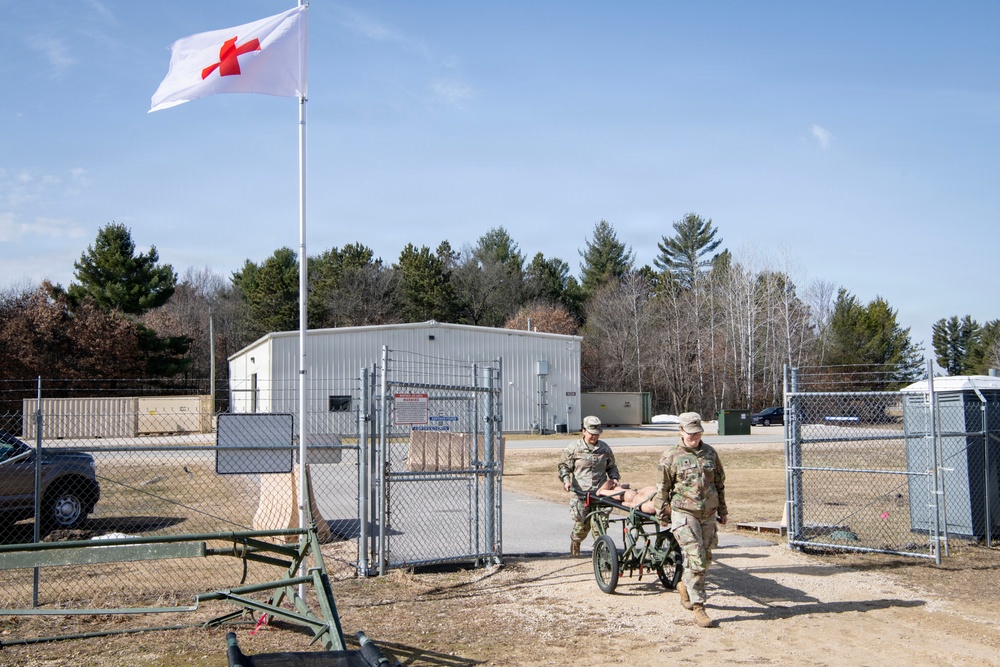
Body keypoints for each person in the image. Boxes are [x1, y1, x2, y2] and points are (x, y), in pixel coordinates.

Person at [657, 411, 727, 628]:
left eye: (697, 433)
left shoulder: (710, 453)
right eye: (690, 433)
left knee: (704, 558)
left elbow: (719, 483)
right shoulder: (670, 456)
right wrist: (662, 515)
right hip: (683, 513)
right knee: (696, 558)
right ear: (681, 431)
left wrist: (723, 510)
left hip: (707, 514)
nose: (694, 437)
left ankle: (684, 586)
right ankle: (699, 607)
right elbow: (664, 489)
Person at [557, 415, 620, 557]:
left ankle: (600, 556)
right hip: (581, 494)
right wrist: (566, 480)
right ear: (583, 431)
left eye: (597, 434)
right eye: (591, 434)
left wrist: (614, 478)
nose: (594, 437)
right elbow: (563, 467)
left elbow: (612, 466)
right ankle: (576, 541)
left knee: (600, 526)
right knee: (582, 527)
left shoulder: (604, 448)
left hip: (601, 493)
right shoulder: (574, 448)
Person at [594, 479, 659, 514]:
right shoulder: (658, 506)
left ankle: (610, 489)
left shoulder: (657, 507)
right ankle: (604, 490)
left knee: (630, 494)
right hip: (648, 495)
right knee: (631, 494)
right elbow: (643, 507)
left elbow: (642, 506)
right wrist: (626, 504)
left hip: (640, 497)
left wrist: (626, 504)